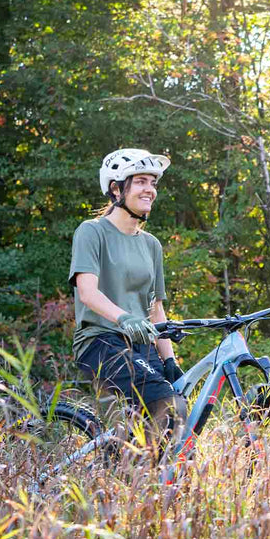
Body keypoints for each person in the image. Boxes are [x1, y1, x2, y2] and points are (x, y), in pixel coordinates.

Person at [69, 148, 188, 445]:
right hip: (101, 341)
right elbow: (87, 292)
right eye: (141, 182)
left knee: (179, 408)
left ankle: (135, 475)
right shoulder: (92, 232)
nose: (150, 190)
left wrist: (169, 358)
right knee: (167, 404)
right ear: (116, 188)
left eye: (153, 183)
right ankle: (146, 479)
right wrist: (124, 317)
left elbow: (155, 308)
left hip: (141, 345)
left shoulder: (151, 245)